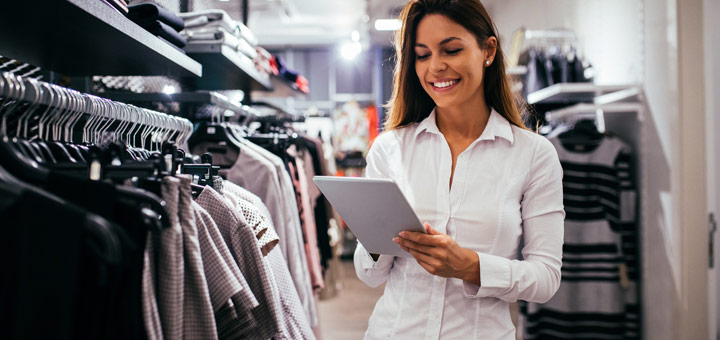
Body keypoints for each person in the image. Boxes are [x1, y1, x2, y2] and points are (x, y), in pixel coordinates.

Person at [353, 0, 565, 338]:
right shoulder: (390, 149)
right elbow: (369, 274)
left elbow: (546, 278)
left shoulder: (533, 155)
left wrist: (470, 266)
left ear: (488, 50)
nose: (435, 66)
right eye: (422, 55)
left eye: (450, 50)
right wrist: (377, 237)